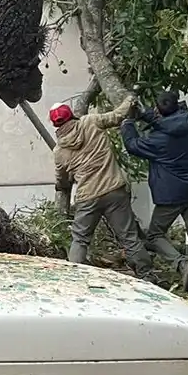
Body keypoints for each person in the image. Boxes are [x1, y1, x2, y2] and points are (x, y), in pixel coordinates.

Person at [121, 89, 188, 292]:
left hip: (170, 193)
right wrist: (149, 115)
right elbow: (166, 121)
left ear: (158, 110)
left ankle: (181, 264)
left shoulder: (158, 141)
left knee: (155, 235)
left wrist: (128, 123)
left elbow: (132, 145)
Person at [52, 96, 151, 276]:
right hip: (114, 190)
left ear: (55, 125)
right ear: (72, 115)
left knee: (80, 240)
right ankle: (147, 275)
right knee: (129, 237)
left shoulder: (59, 151)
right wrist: (128, 101)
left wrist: (61, 186)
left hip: (87, 197)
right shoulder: (91, 121)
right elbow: (116, 116)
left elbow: (62, 179)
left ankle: (75, 276)